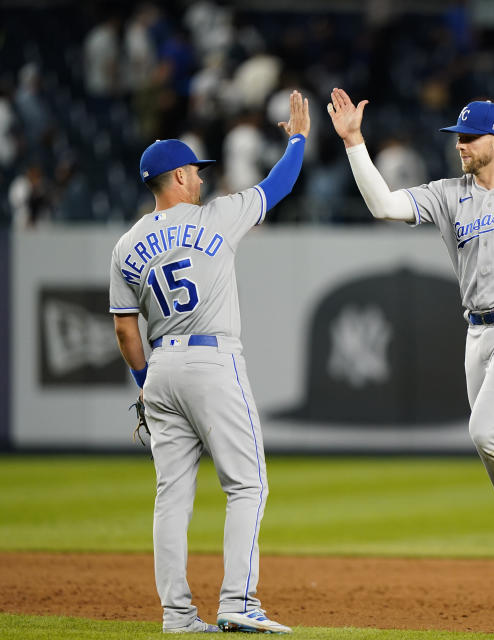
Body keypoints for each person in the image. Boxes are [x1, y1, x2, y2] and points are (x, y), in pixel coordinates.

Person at [327, 88, 494, 635]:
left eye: (469, 138)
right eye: (457, 138)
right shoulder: (450, 194)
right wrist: (355, 142)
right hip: (476, 335)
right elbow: (384, 205)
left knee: (487, 432)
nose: (460, 146)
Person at [109, 90, 311, 634]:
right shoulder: (218, 217)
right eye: (194, 172)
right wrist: (297, 139)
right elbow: (279, 186)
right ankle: (238, 602)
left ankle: (178, 616)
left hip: (162, 369)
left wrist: (146, 385)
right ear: (176, 177)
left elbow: (126, 327)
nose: (200, 178)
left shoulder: (127, 245)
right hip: (212, 361)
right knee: (247, 486)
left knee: (170, 497)